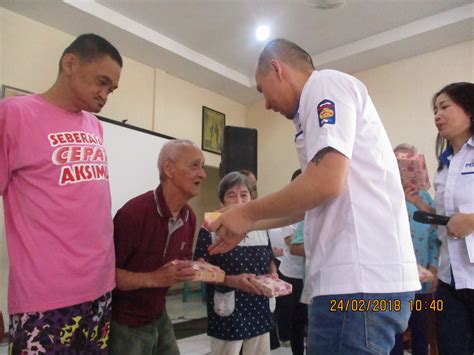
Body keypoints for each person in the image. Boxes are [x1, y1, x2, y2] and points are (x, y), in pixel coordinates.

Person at [208, 38, 421, 354]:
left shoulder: (324, 86)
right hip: (360, 285)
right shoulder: (311, 111)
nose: (266, 103)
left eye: (261, 88)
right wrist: (246, 224)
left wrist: (248, 212)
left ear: (277, 69)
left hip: (357, 285)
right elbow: (311, 200)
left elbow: (325, 182)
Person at [0, 33, 122, 353]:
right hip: (45, 298)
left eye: (111, 88)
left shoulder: (95, 126)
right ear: (70, 63)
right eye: (101, 81)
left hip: (100, 289)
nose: (105, 94)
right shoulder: (13, 113)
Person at [109, 139, 206, 355]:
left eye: (202, 166)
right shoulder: (133, 214)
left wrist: (194, 268)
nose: (203, 174)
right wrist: (155, 278)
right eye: (195, 165)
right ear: (168, 169)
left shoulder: (189, 217)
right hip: (126, 323)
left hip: (159, 315)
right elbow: (105, 276)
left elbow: (177, 264)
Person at [194, 172, 277, 355]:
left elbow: (269, 257)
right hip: (229, 308)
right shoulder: (211, 225)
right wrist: (231, 280)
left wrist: (273, 274)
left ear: (251, 198)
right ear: (222, 201)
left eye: (244, 195)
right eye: (231, 195)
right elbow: (200, 270)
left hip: (259, 304)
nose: (238, 200)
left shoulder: (259, 224)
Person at [431, 82, 474, 355]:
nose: (437, 115)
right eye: (435, 110)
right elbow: (443, 222)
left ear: (470, 111)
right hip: (450, 278)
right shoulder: (444, 164)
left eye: (445, 106)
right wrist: (417, 201)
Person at [390, 144, 439, 355]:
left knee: (421, 331)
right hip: (393, 282)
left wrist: (434, 268)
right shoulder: (385, 197)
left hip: (422, 283)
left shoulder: (425, 199)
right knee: (393, 334)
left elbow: (435, 237)